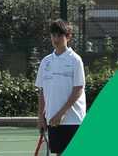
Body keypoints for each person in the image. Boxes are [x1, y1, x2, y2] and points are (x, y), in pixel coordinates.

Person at [35, 19, 86, 155]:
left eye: (59, 35)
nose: (56, 39)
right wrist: (41, 117)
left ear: (68, 37)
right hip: (53, 121)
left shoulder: (75, 60)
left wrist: (61, 114)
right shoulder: (46, 62)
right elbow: (42, 91)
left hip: (74, 120)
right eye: (53, 35)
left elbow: (78, 90)